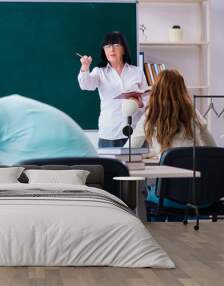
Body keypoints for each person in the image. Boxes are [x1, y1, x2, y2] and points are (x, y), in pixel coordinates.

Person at [127, 69, 216, 221]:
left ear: (156, 90)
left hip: (167, 198)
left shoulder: (150, 116)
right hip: (199, 197)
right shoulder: (193, 114)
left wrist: (156, 151)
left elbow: (128, 150)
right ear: (182, 89)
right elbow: (212, 150)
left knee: (146, 192)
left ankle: (158, 236)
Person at [78, 31, 148, 148]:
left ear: (124, 49)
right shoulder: (99, 72)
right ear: (104, 51)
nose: (111, 49)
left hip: (135, 132)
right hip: (110, 132)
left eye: (116, 45)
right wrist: (85, 67)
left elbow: (147, 100)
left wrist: (140, 103)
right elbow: (85, 85)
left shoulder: (137, 72)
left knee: (137, 166)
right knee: (111, 166)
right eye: (107, 46)